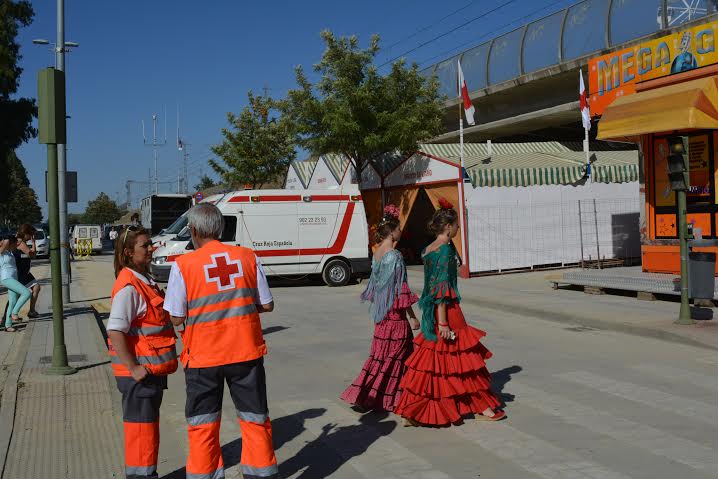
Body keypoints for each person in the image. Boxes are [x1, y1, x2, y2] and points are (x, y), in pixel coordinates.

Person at [164, 203, 279, 479]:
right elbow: (267, 305)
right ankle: (261, 474)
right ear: (221, 228)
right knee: (254, 419)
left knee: (203, 425)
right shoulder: (247, 257)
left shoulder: (184, 265)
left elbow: (177, 318)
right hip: (246, 355)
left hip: (203, 359)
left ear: (193, 230)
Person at [395, 198, 505, 427]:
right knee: (465, 359)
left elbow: (431, 286)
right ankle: (482, 406)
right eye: (456, 226)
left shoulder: (428, 249)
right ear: (447, 227)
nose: (457, 229)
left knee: (433, 360)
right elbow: (442, 288)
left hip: (430, 310)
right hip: (447, 310)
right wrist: (444, 323)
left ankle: (413, 410)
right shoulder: (444, 250)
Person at [106, 225, 178, 479]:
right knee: (141, 435)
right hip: (140, 374)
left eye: (150, 244)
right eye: (144, 246)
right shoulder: (128, 286)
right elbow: (115, 330)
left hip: (149, 372)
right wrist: (133, 368)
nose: (151, 249)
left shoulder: (142, 280)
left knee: (147, 432)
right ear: (127, 253)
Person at [340, 204, 419, 415]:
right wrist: (412, 316)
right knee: (398, 356)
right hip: (395, 315)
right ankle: (392, 398)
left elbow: (374, 287)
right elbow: (401, 289)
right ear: (393, 231)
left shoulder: (376, 255)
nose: (401, 231)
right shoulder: (395, 256)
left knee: (380, 355)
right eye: (399, 228)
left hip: (381, 314)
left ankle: (367, 396)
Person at [1, 235, 31, 332]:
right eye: (14, 244)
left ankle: (8, 325)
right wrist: (8, 240)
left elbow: (20, 243)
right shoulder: (2, 252)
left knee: (13, 301)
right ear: (10, 243)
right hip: (6, 278)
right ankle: (14, 313)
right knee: (27, 293)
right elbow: (5, 242)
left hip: (13, 279)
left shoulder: (11, 252)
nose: (16, 246)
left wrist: (17, 240)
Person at [14, 224, 41, 318]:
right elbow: (33, 255)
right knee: (15, 296)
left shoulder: (21, 242)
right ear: (25, 233)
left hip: (26, 273)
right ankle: (8, 316)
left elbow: (32, 254)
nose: (31, 237)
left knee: (36, 287)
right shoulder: (21, 243)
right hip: (19, 273)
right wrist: (34, 243)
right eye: (31, 235)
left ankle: (32, 311)